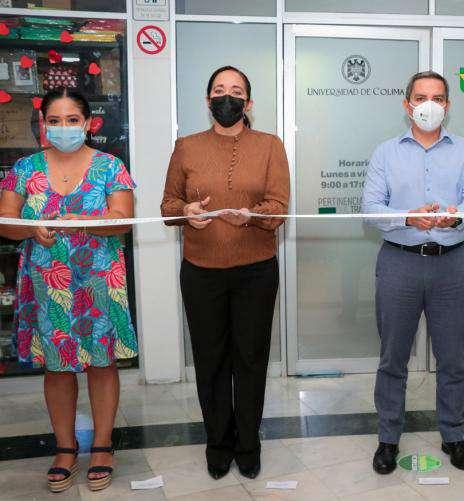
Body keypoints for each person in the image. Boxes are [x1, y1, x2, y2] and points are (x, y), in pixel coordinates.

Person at [0, 88, 137, 493]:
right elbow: (5, 220)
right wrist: (31, 229)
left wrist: (86, 222)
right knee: (57, 366)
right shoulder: (24, 169)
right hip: (48, 283)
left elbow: (123, 219)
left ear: (88, 123)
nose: (64, 128)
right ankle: (65, 448)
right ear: (44, 125)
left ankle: (102, 446)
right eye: (55, 121)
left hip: (99, 280)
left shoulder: (110, 166)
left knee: (101, 363)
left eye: (72, 120)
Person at [160, 66, 290, 479]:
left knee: (250, 359)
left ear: (248, 102)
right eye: (219, 90)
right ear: (208, 100)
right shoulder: (186, 147)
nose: (227, 97)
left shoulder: (270, 146)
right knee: (211, 359)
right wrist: (186, 211)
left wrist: (251, 215)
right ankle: (218, 442)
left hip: (256, 271)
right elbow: (167, 207)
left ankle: (248, 443)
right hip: (201, 272)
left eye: (236, 91)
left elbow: (279, 208)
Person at [362, 71, 464, 474]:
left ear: (447, 105)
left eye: (437, 98)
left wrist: (456, 216)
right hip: (399, 262)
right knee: (392, 358)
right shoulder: (385, 152)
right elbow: (370, 208)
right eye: (420, 97)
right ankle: (388, 438)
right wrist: (407, 217)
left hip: (451, 265)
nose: (428, 105)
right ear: (407, 104)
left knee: (452, 359)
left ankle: (453, 434)